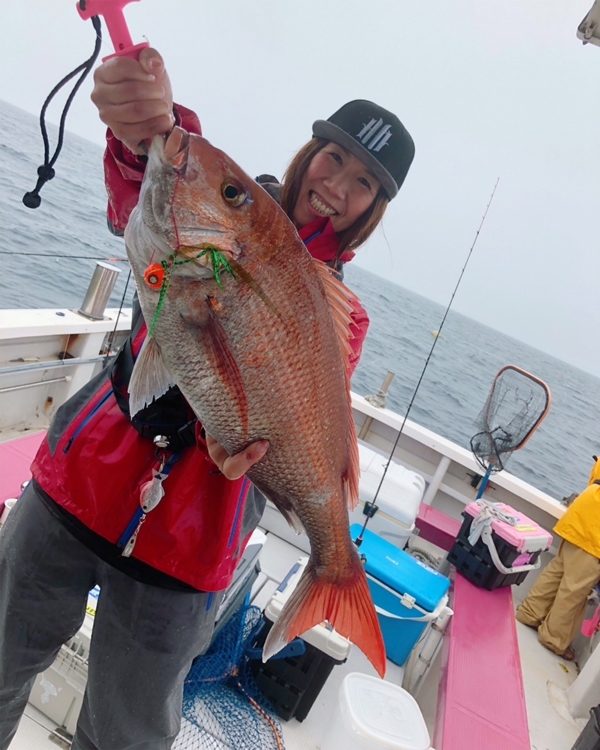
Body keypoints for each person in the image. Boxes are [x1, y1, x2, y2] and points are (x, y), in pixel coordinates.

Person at [0, 47, 415, 750]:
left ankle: (333, 575)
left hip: (188, 548)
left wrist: (236, 447)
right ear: (310, 151)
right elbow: (151, 182)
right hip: (80, 480)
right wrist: (151, 126)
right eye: (334, 157)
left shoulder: (340, 317)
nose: (338, 186)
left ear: (374, 208)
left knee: (126, 736)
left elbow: (289, 419)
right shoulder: (223, 208)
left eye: (365, 182)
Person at [516, 455, 600, 660]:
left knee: (556, 572)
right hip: (595, 534)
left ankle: (528, 614)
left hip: (580, 515)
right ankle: (553, 639)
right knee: (573, 591)